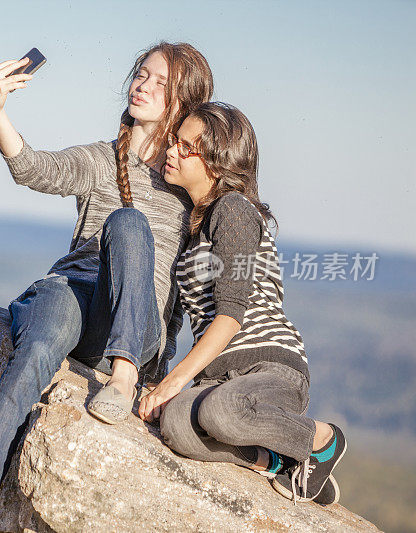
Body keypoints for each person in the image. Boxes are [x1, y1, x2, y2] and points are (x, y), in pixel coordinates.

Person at [0, 42, 213, 533]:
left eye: (160, 83)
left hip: (127, 330)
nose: (142, 85)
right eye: (141, 74)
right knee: (41, 345)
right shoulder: (99, 158)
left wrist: (160, 374)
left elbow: (182, 293)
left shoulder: (188, 187)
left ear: (183, 103)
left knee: (129, 223)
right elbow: (34, 169)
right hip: (73, 289)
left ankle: (125, 374)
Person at [140, 102, 346, 504]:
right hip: (219, 377)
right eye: (175, 142)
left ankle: (323, 440)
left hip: (268, 366)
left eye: (187, 147)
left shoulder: (233, 209)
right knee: (177, 425)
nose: (172, 151)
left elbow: (231, 316)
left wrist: (173, 381)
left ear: (217, 161)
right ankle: (272, 460)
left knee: (221, 413)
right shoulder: (195, 225)